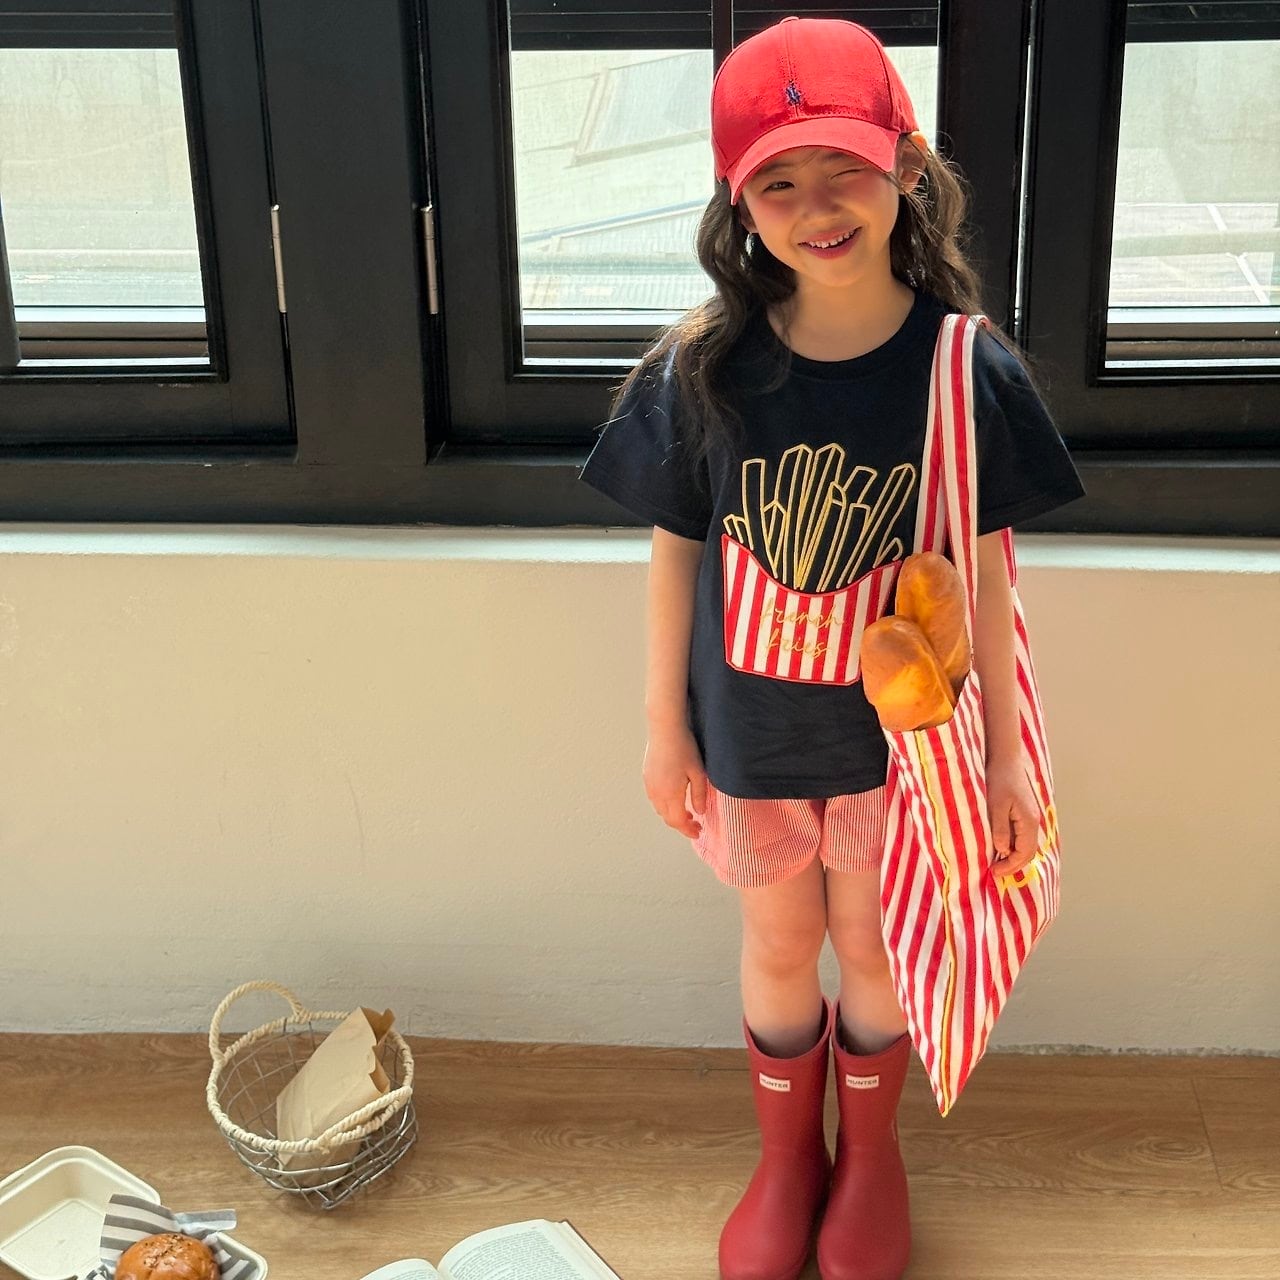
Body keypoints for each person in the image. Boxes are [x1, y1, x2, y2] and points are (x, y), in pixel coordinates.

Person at [580, 16, 1085, 1280]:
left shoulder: (961, 369)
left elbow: (987, 578)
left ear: (903, 167)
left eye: (842, 168)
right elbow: (674, 553)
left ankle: (867, 1156)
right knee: (774, 943)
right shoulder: (701, 368)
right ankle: (785, 1158)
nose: (815, 207)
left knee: (871, 944)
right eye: (777, 182)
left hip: (894, 752)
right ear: (735, 204)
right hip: (748, 739)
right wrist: (661, 727)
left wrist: (1006, 762)